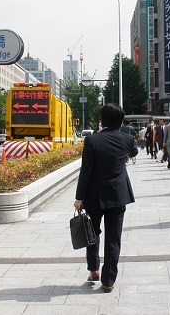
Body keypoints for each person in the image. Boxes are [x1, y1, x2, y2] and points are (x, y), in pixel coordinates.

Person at [73, 103, 138, 293]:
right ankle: (108, 280)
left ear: (101, 120)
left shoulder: (92, 141)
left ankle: (94, 270)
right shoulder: (127, 140)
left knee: (92, 234)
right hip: (118, 196)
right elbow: (133, 152)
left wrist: (79, 198)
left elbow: (86, 172)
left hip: (95, 196)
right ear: (121, 121)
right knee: (113, 238)